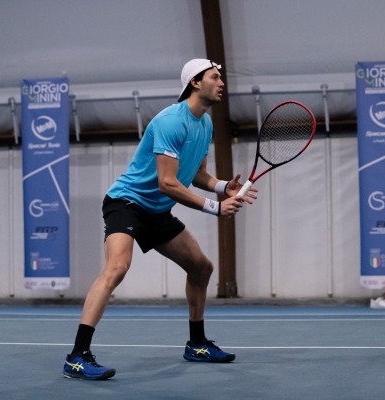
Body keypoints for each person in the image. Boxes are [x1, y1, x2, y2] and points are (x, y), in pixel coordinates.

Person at [63, 59, 257, 380]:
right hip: (126, 203)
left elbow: (196, 174)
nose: (222, 83)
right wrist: (215, 207)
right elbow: (167, 183)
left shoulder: (205, 124)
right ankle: (77, 356)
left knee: (201, 267)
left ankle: (197, 344)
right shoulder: (170, 122)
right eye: (215, 77)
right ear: (195, 82)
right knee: (117, 268)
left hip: (155, 211)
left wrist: (223, 187)